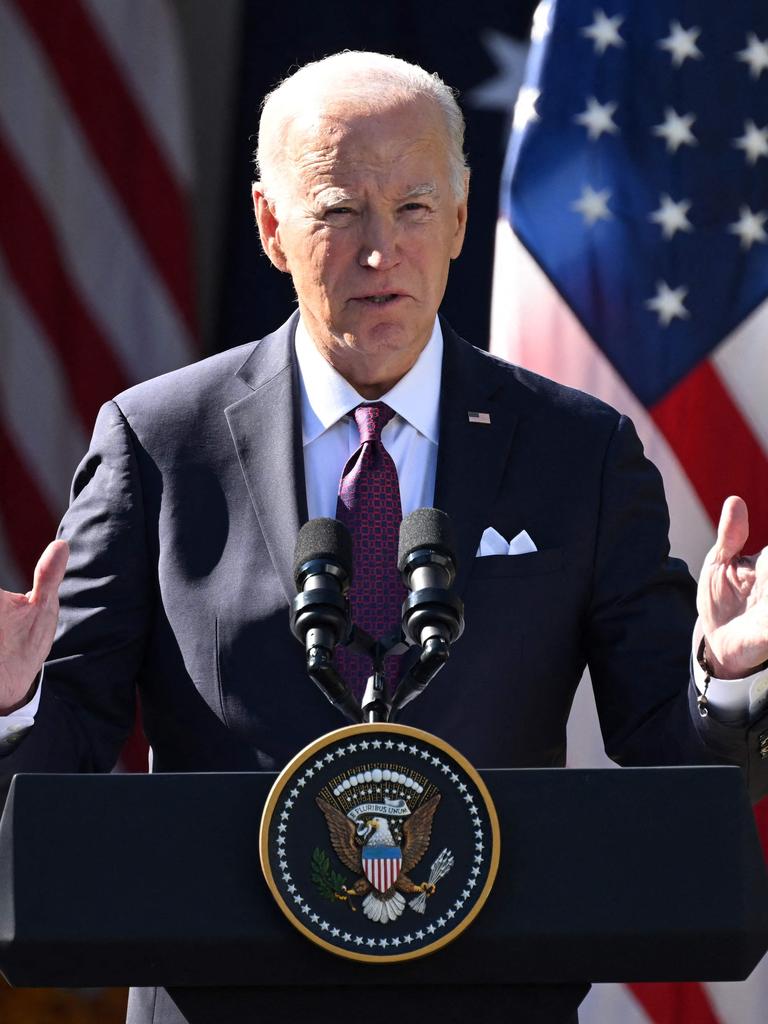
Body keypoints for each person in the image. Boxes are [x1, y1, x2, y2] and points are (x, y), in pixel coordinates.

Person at [0, 51, 766, 1024]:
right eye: (338, 209)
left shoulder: (579, 451)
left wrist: (729, 676)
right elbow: (59, 770)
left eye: (412, 208)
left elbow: (681, 764)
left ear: (458, 219)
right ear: (272, 226)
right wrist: (14, 699)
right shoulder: (159, 444)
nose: (380, 250)